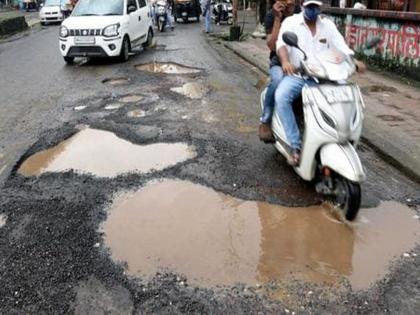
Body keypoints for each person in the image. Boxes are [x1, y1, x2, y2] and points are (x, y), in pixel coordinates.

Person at [275, 0, 365, 165]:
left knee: (348, 97)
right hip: (299, 77)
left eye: (315, 6)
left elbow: (341, 46)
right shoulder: (291, 22)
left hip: (325, 78)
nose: (313, 10)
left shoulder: (328, 26)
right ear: (302, 5)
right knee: (281, 97)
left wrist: (354, 61)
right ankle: (295, 146)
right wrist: (286, 61)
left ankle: (343, 137)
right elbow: (281, 44)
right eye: (310, 6)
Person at [259, 0, 296, 143]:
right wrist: (277, 18)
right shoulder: (271, 16)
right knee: (278, 80)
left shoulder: (301, 14)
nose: (290, 2)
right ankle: (265, 121)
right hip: (278, 62)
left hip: (300, 62)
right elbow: (273, 46)